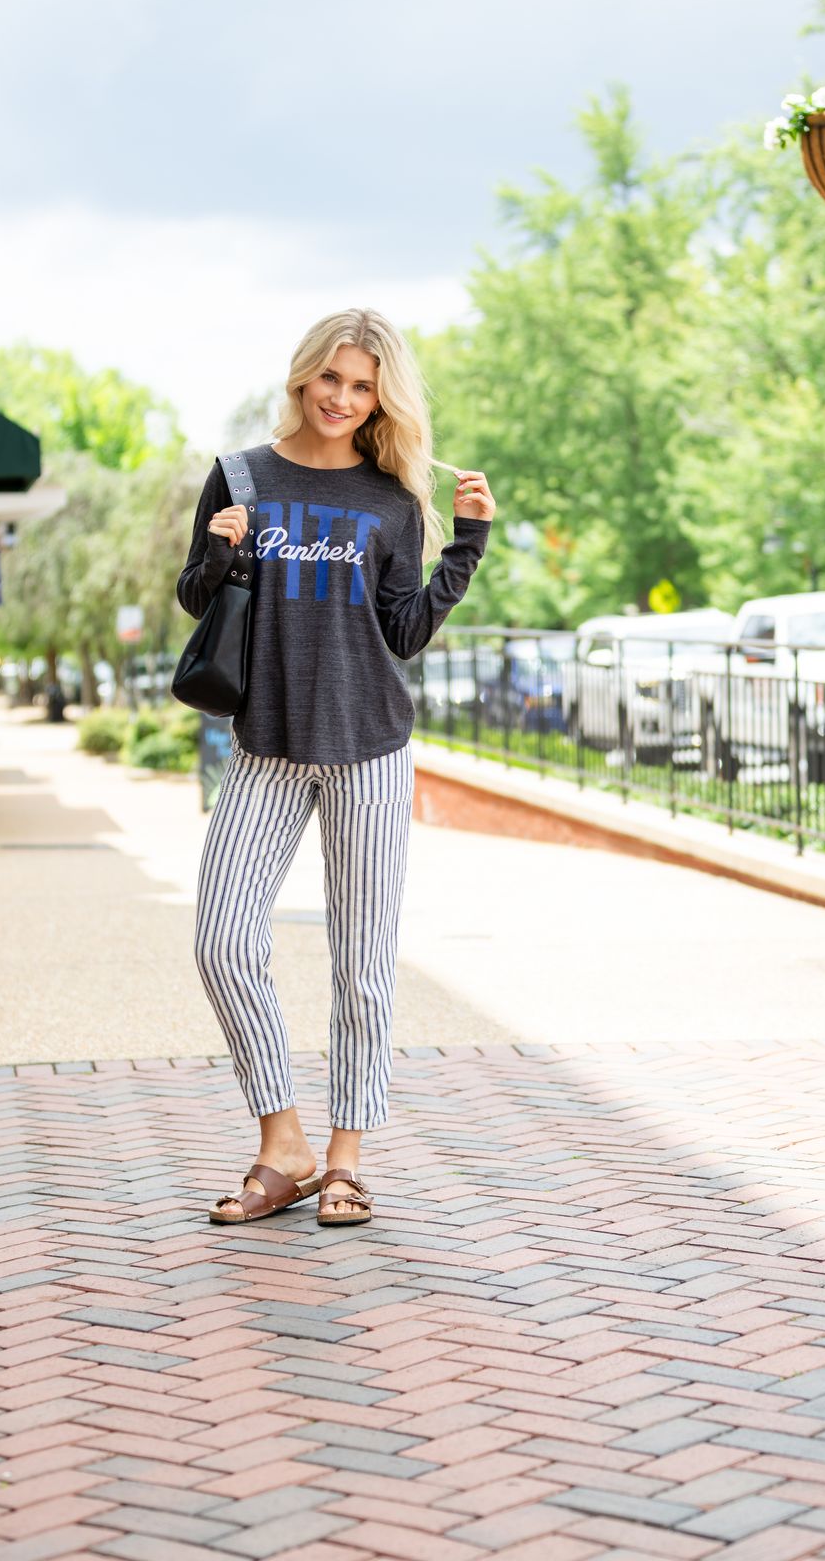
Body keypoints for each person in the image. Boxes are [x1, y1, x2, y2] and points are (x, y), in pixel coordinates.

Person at [177, 308, 495, 1226]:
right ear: (302, 374)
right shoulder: (240, 475)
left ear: (377, 398)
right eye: (330, 380)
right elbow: (195, 600)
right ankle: (283, 1142)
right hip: (265, 744)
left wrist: (464, 547)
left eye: (362, 388)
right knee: (224, 942)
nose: (342, 400)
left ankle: (347, 1158)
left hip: (370, 747)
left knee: (360, 964)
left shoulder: (391, 498)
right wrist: (221, 553)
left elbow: (403, 630)